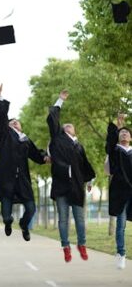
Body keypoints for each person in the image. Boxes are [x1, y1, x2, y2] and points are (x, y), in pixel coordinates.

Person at [0, 81, 49, 241]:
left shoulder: (25, 140)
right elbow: (2, 118)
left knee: (31, 208)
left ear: (21, 126)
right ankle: (8, 222)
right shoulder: (5, 135)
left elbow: (35, 154)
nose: (15, 122)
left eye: (17, 121)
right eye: (12, 122)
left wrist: (45, 158)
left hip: (23, 178)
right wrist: (0, 96)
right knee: (6, 213)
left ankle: (24, 225)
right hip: (7, 178)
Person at [47, 90, 95, 262]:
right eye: (64, 125)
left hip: (76, 186)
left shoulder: (79, 146)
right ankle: (65, 246)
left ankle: (81, 244)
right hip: (61, 185)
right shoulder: (58, 138)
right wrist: (60, 99)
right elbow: (52, 119)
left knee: (80, 220)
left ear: (75, 132)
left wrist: (89, 179)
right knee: (63, 220)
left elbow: (85, 165)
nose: (67, 125)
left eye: (70, 125)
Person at [105, 113, 132, 269]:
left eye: (127, 132)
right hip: (120, 192)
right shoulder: (115, 150)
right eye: (122, 132)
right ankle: (121, 253)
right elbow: (110, 142)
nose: (124, 133)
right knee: (121, 224)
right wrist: (118, 124)